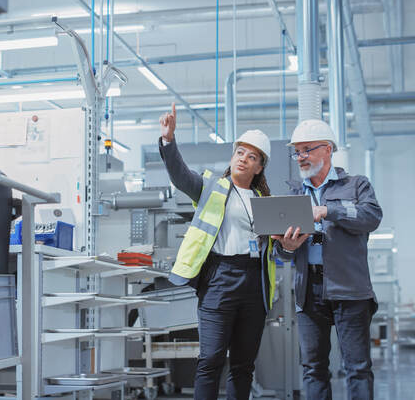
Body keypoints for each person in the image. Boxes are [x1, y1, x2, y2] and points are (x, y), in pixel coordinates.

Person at [159, 103, 277, 400]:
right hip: (219, 280)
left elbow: (277, 250)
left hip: (254, 284)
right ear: (233, 155)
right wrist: (169, 141)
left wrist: (287, 243)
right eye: (240, 153)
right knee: (210, 359)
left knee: (243, 365)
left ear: (259, 167)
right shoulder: (212, 187)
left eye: (252, 157)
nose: (244, 159)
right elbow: (180, 176)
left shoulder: (266, 200)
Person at [272, 119, 382, 400]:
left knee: (357, 367)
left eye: (307, 149)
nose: (301, 157)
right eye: (297, 152)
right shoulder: (294, 195)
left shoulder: (356, 185)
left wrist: (327, 211)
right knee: (313, 368)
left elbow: (371, 217)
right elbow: (280, 254)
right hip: (308, 291)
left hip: (350, 290)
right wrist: (286, 246)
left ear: (328, 149)